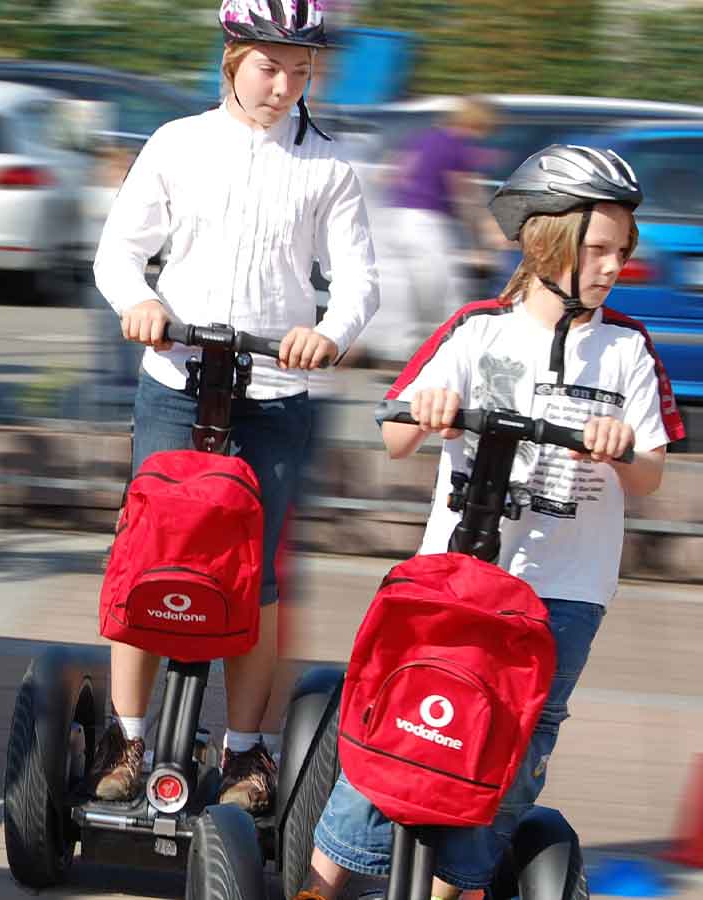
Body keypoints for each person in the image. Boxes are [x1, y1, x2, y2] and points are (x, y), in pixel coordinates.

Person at [292, 144, 686, 900]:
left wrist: (622, 448)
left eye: (621, 252)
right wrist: (431, 409)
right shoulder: (478, 330)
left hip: (564, 590)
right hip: (457, 574)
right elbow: (395, 433)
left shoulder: (628, 350)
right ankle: (323, 879)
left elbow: (651, 475)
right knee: (402, 714)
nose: (612, 266)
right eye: (597, 249)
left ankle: (456, 889)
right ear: (548, 245)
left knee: (514, 741)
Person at [88, 0, 379, 814]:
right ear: (231, 57)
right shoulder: (178, 143)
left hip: (276, 392)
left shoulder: (329, 167)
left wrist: (328, 332)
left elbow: (357, 280)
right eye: (268, 65)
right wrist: (138, 303)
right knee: (148, 555)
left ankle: (248, 751)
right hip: (178, 380)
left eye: (299, 68)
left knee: (259, 581)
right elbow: (120, 249)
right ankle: (128, 736)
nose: (284, 84)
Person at [359, 96, 505, 366]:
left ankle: (399, 351)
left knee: (406, 289)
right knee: (443, 288)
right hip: (425, 223)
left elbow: (389, 175)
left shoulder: (423, 138)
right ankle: (447, 352)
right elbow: (466, 195)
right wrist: (484, 234)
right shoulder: (456, 147)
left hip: (393, 219)